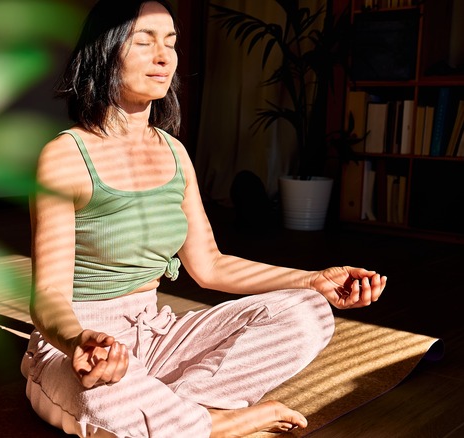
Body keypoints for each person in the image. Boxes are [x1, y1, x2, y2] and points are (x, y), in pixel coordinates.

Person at [20, 1, 387, 437]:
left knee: (309, 311)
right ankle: (212, 421)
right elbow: (48, 295)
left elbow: (210, 265)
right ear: (104, 51)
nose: (164, 57)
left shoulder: (173, 152)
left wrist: (313, 280)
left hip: (157, 334)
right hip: (84, 347)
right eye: (144, 42)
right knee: (101, 400)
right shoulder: (65, 157)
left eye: (171, 43)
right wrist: (77, 340)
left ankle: (178, 415)